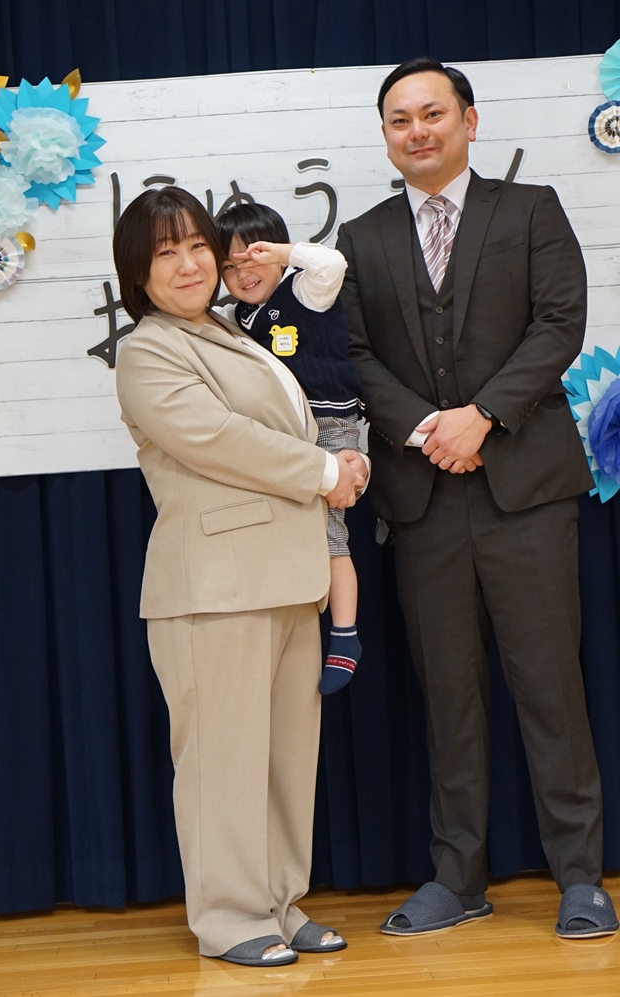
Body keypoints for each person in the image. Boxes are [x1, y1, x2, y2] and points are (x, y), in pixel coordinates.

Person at [336, 57, 619, 939]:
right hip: (425, 500)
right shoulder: (361, 238)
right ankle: (457, 878)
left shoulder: (530, 210)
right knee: (449, 696)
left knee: (550, 687)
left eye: (432, 113)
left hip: (526, 493)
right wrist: (429, 427)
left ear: (469, 119)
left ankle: (581, 876)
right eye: (399, 119)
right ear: (385, 136)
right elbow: (354, 355)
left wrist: (484, 416)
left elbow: (559, 322)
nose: (416, 130)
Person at [113, 185, 368, 966]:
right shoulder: (148, 349)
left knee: (286, 760)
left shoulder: (228, 329)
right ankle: (229, 918)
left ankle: (281, 903)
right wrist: (324, 469)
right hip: (215, 589)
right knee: (222, 762)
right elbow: (217, 437)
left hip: (288, 576)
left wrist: (340, 459)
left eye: (198, 245)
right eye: (167, 252)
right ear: (138, 271)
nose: (190, 263)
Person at [216, 203, 366, 694]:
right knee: (289, 534)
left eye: (254, 258)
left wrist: (282, 254)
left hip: (328, 424)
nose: (244, 273)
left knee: (330, 534)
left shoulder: (304, 290)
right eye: (230, 267)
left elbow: (333, 263)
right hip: (284, 436)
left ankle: (345, 635)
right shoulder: (238, 316)